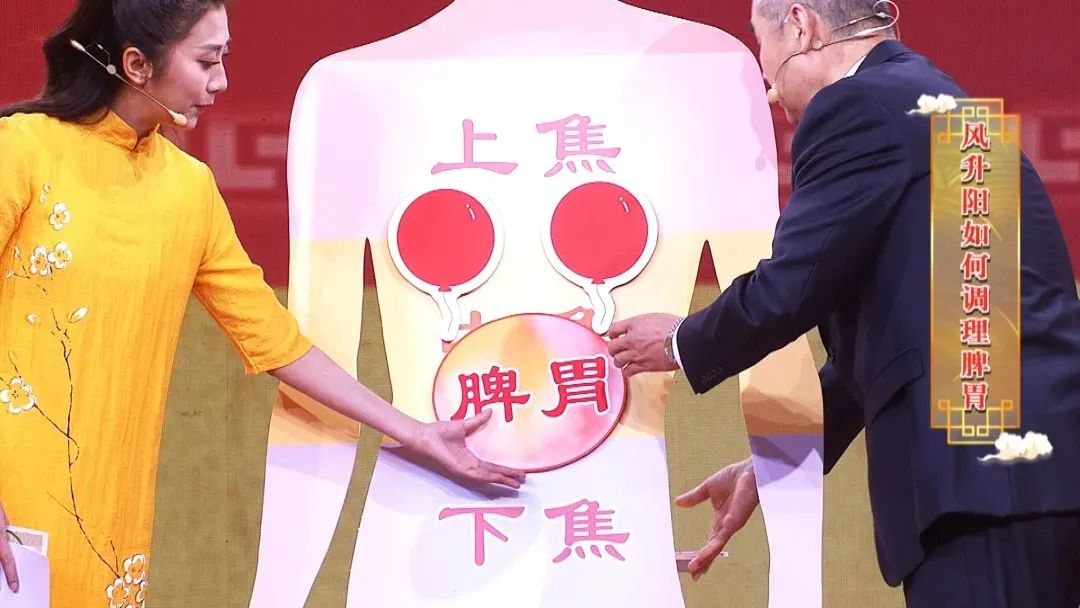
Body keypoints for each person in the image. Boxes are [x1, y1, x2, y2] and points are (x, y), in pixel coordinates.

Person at [0, 0, 525, 604]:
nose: (221, 81)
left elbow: (276, 341)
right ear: (138, 64)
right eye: (206, 61)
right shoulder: (23, 151)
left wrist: (416, 432)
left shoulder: (188, 189)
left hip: (109, 510)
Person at [607, 0, 1080, 606]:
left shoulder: (856, 107)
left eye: (761, 44)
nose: (766, 79)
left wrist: (680, 341)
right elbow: (940, 336)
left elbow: (792, 283)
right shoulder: (939, 101)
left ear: (800, 25)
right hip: (1035, 481)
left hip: (980, 496)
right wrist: (772, 466)